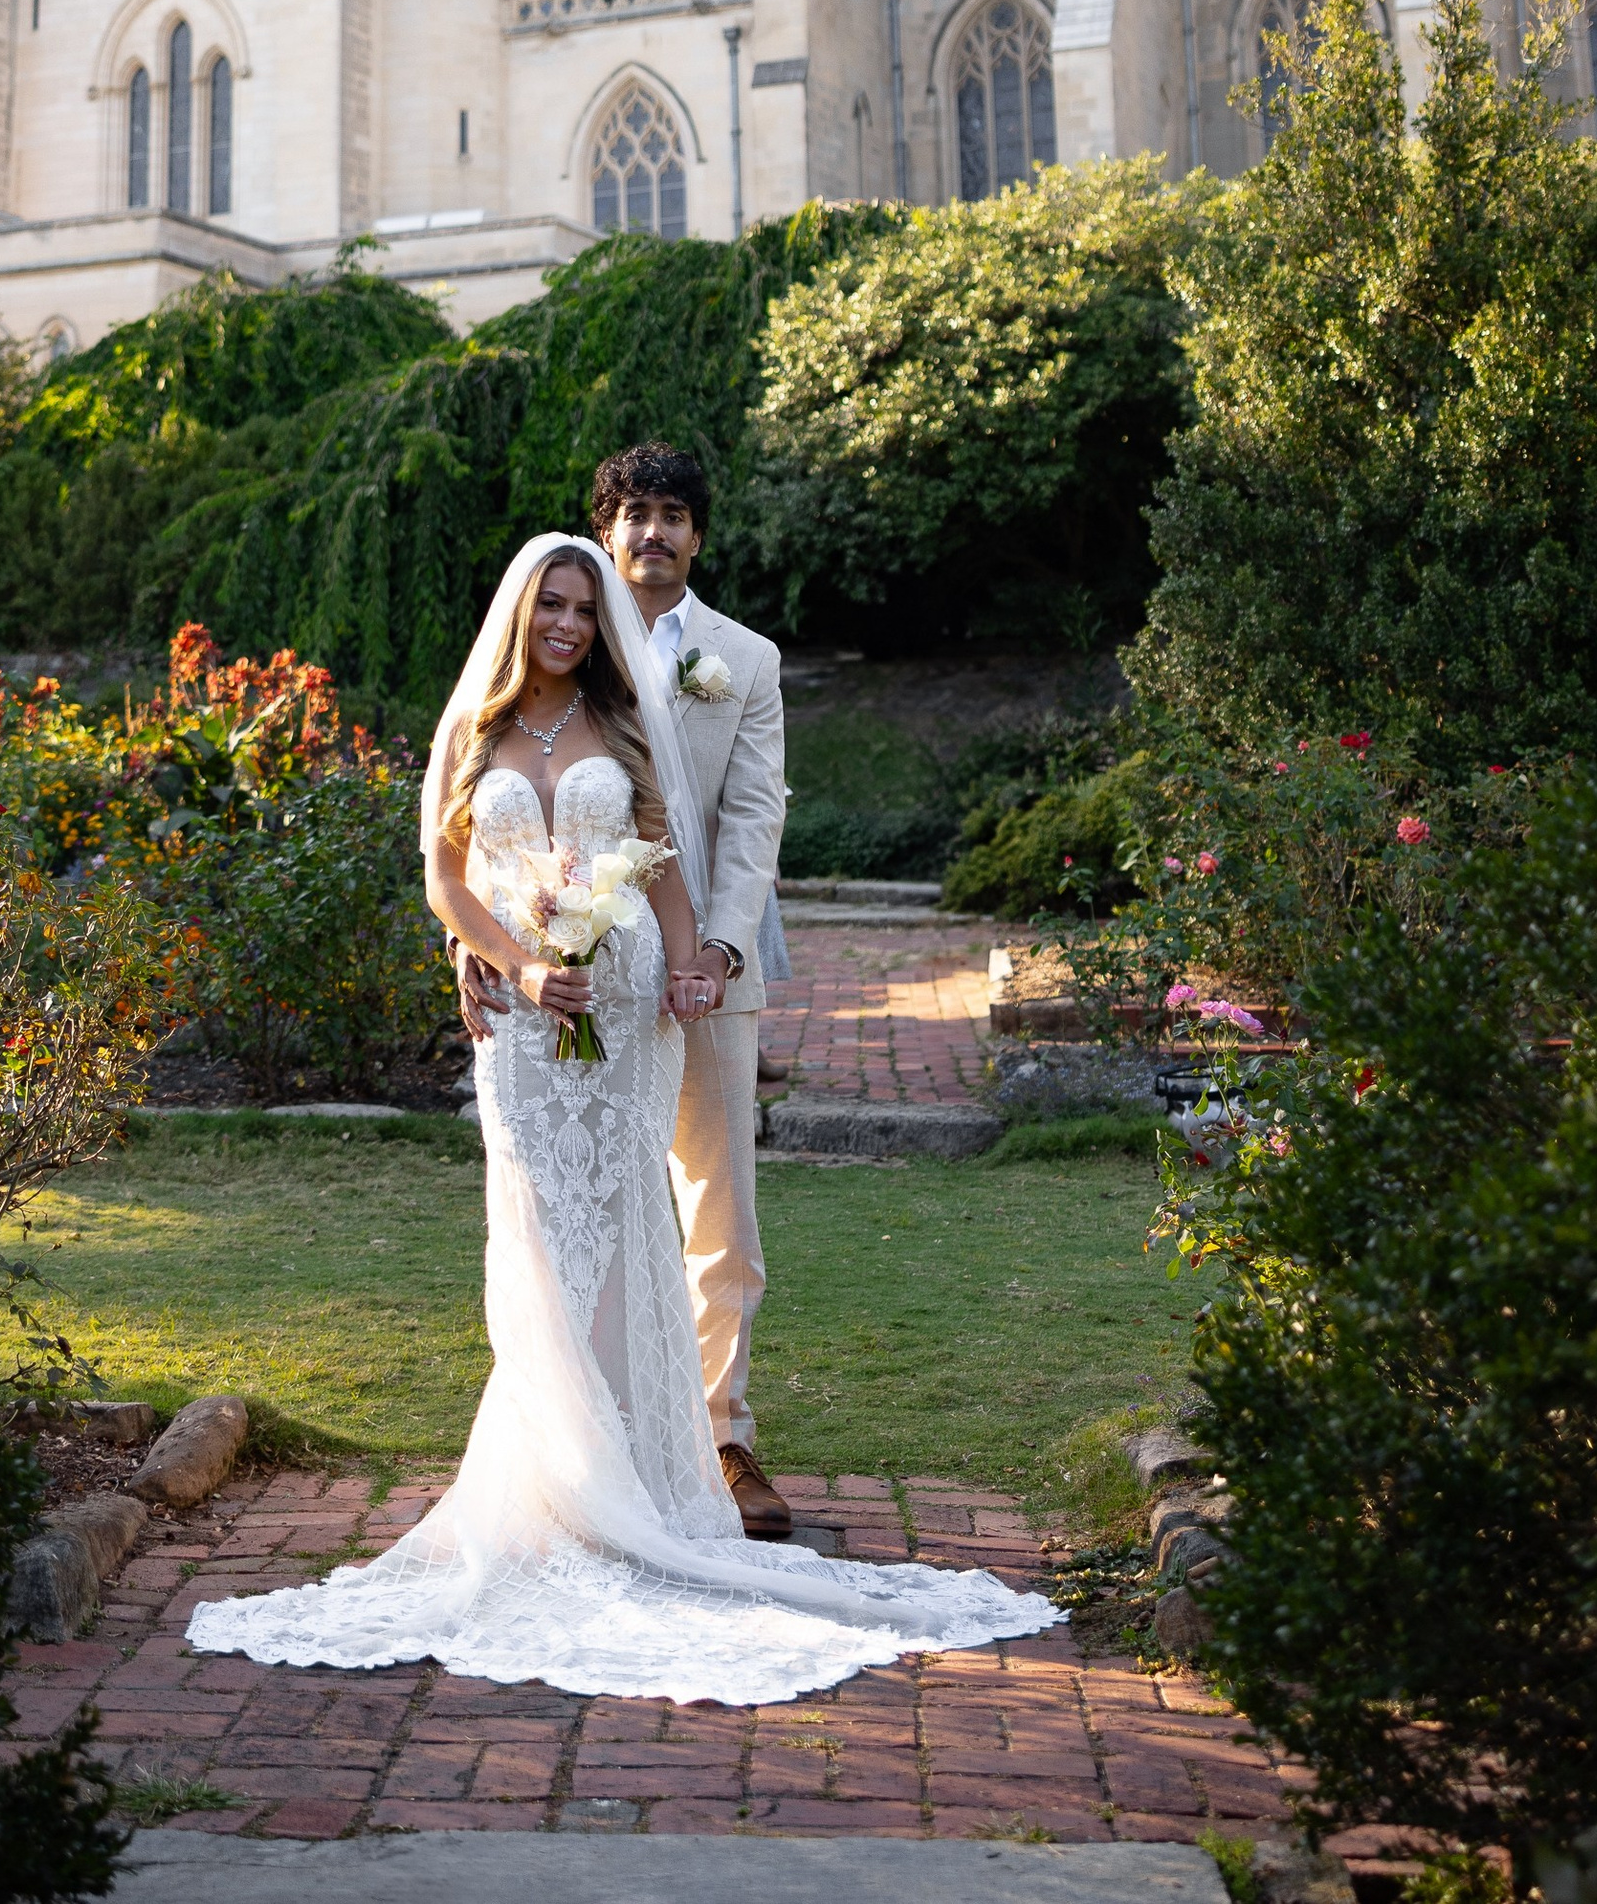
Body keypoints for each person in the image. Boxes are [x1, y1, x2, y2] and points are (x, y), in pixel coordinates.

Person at [184, 532, 1056, 1703]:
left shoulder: (622, 726)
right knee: (543, 1224)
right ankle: (557, 1475)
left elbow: (664, 862)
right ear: (516, 612)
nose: (566, 625)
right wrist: (509, 959)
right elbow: (445, 876)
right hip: (528, 1016)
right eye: (550, 604)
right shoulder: (475, 728)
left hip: (629, 998)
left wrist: (692, 966)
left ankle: (641, 1480)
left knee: (632, 1214)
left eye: (583, 611)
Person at [462, 442, 792, 1533]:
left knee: (716, 1212)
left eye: (674, 514)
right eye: (635, 512)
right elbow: (476, 836)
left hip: (695, 970)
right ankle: (585, 1437)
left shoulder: (741, 657)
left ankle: (723, 1435)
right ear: (605, 529)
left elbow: (748, 820)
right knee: (568, 1204)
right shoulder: (570, 644)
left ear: (699, 533)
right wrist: (486, 950)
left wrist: (719, 953)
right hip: (555, 983)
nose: (654, 531)